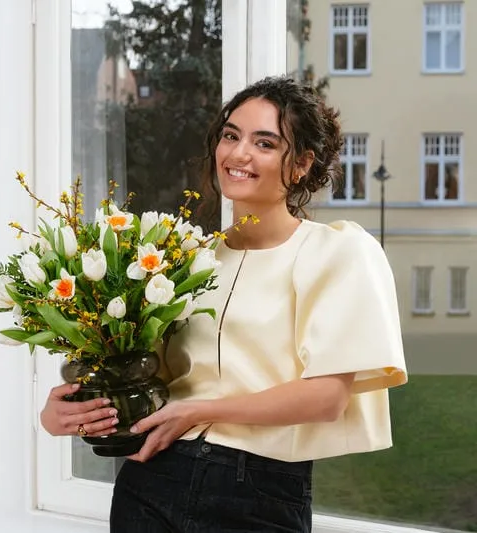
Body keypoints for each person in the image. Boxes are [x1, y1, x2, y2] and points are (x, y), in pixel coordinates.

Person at [39, 75, 408, 532]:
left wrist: (200, 410)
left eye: (265, 143)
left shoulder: (337, 253)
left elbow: (327, 396)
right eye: (231, 135)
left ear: (301, 165)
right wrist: (69, 413)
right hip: (152, 484)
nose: (238, 154)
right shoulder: (182, 258)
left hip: (259, 494)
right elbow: (138, 375)